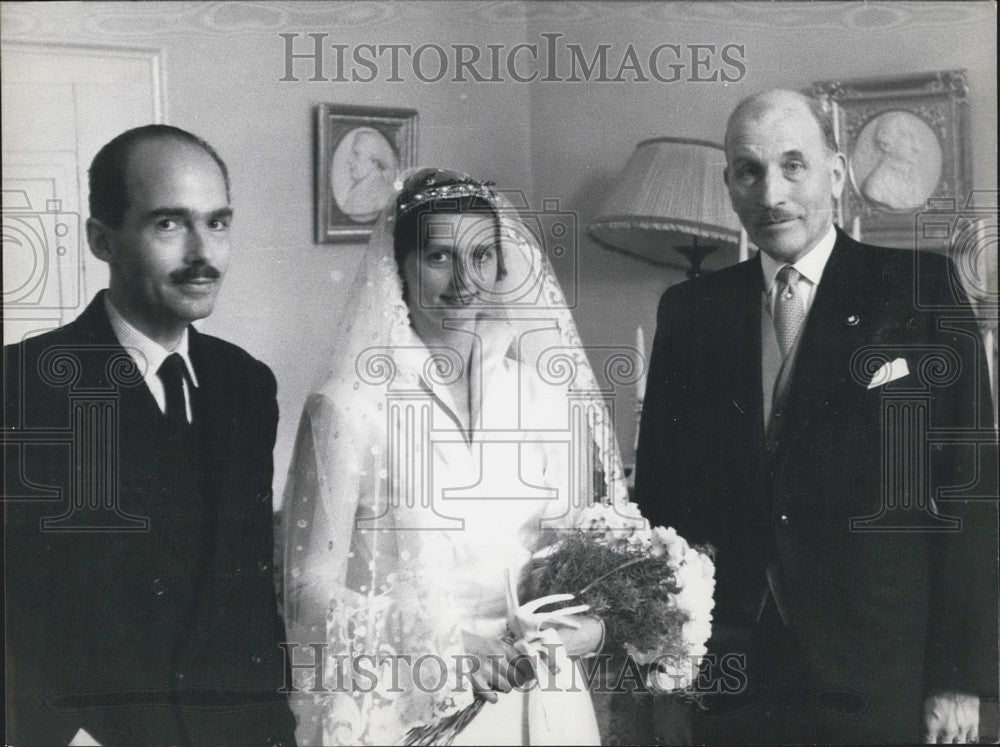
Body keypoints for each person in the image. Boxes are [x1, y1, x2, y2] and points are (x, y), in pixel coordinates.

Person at [634, 89, 998, 744]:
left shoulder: (921, 290)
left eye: (792, 165)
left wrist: (957, 675)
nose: (771, 192)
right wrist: (665, 671)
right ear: (730, 185)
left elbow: (970, 495)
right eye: (749, 170)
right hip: (731, 671)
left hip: (879, 669)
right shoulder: (690, 311)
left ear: (834, 175)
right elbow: (663, 501)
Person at [282, 168, 628, 745]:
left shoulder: (542, 394)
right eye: (439, 257)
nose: (465, 281)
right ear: (400, 267)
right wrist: (447, 649)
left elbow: (583, 549)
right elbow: (307, 592)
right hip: (412, 701)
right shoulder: (349, 406)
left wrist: (589, 628)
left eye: (483, 256)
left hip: (542, 694)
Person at [3, 125, 297, 746]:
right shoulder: (21, 387)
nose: (203, 253)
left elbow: (246, 596)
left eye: (217, 223)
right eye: (169, 224)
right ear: (101, 240)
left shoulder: (246, 384)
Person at [335, 128, 398, 223]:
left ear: (374, 161)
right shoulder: (359, 191)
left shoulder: (378, 194)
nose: (349, 161)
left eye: (356, 154)